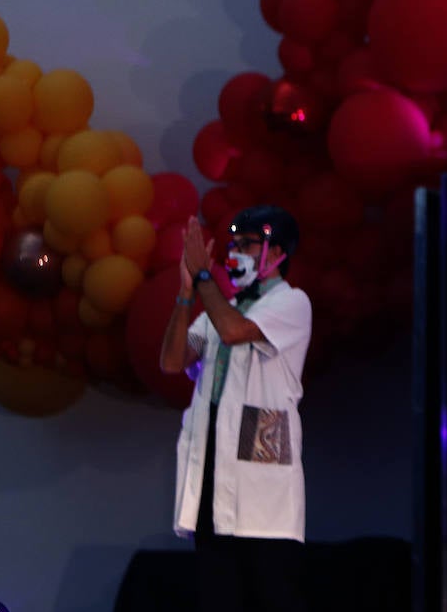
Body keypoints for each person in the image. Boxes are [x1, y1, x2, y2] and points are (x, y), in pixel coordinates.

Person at [159, 205, 313, 612]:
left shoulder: (292, 303)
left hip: (262, 480)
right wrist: (186, 291)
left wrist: (205, 274)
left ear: (276, 251)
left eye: (247, 245)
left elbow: (234, 332)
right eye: (233, 245)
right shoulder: (218, 310)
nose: (235, 253)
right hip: (213, 468)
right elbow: (173, 361)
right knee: (218, 596)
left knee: (271, 596)